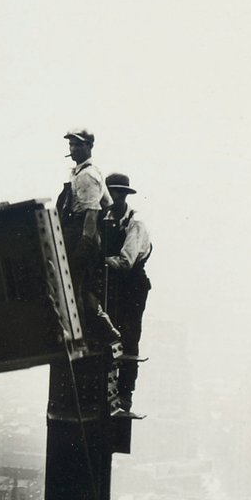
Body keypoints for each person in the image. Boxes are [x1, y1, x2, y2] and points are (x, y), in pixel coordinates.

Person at [56, 129, 119, 347]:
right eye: (71, 145)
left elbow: (93, 211)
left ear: (89, 147)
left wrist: (85, 242)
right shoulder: (84, 172)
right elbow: (108, 203)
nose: (73, 149)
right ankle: (102, 329)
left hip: (81, 233)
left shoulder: (87, 176)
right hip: (81, 232)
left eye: (78, 145)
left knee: (75, 286)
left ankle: (86, 335)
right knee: (82, 287)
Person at [102, 172, 152, 416]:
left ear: (122, 194)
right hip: (113, 285)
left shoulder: (135, 223)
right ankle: (109, 390)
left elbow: (125, 262)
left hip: (132, 285)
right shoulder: (108, 218)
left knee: (129, 339)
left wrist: (97, 261)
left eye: (115, 192)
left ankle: (125, 395)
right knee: (110, 335)